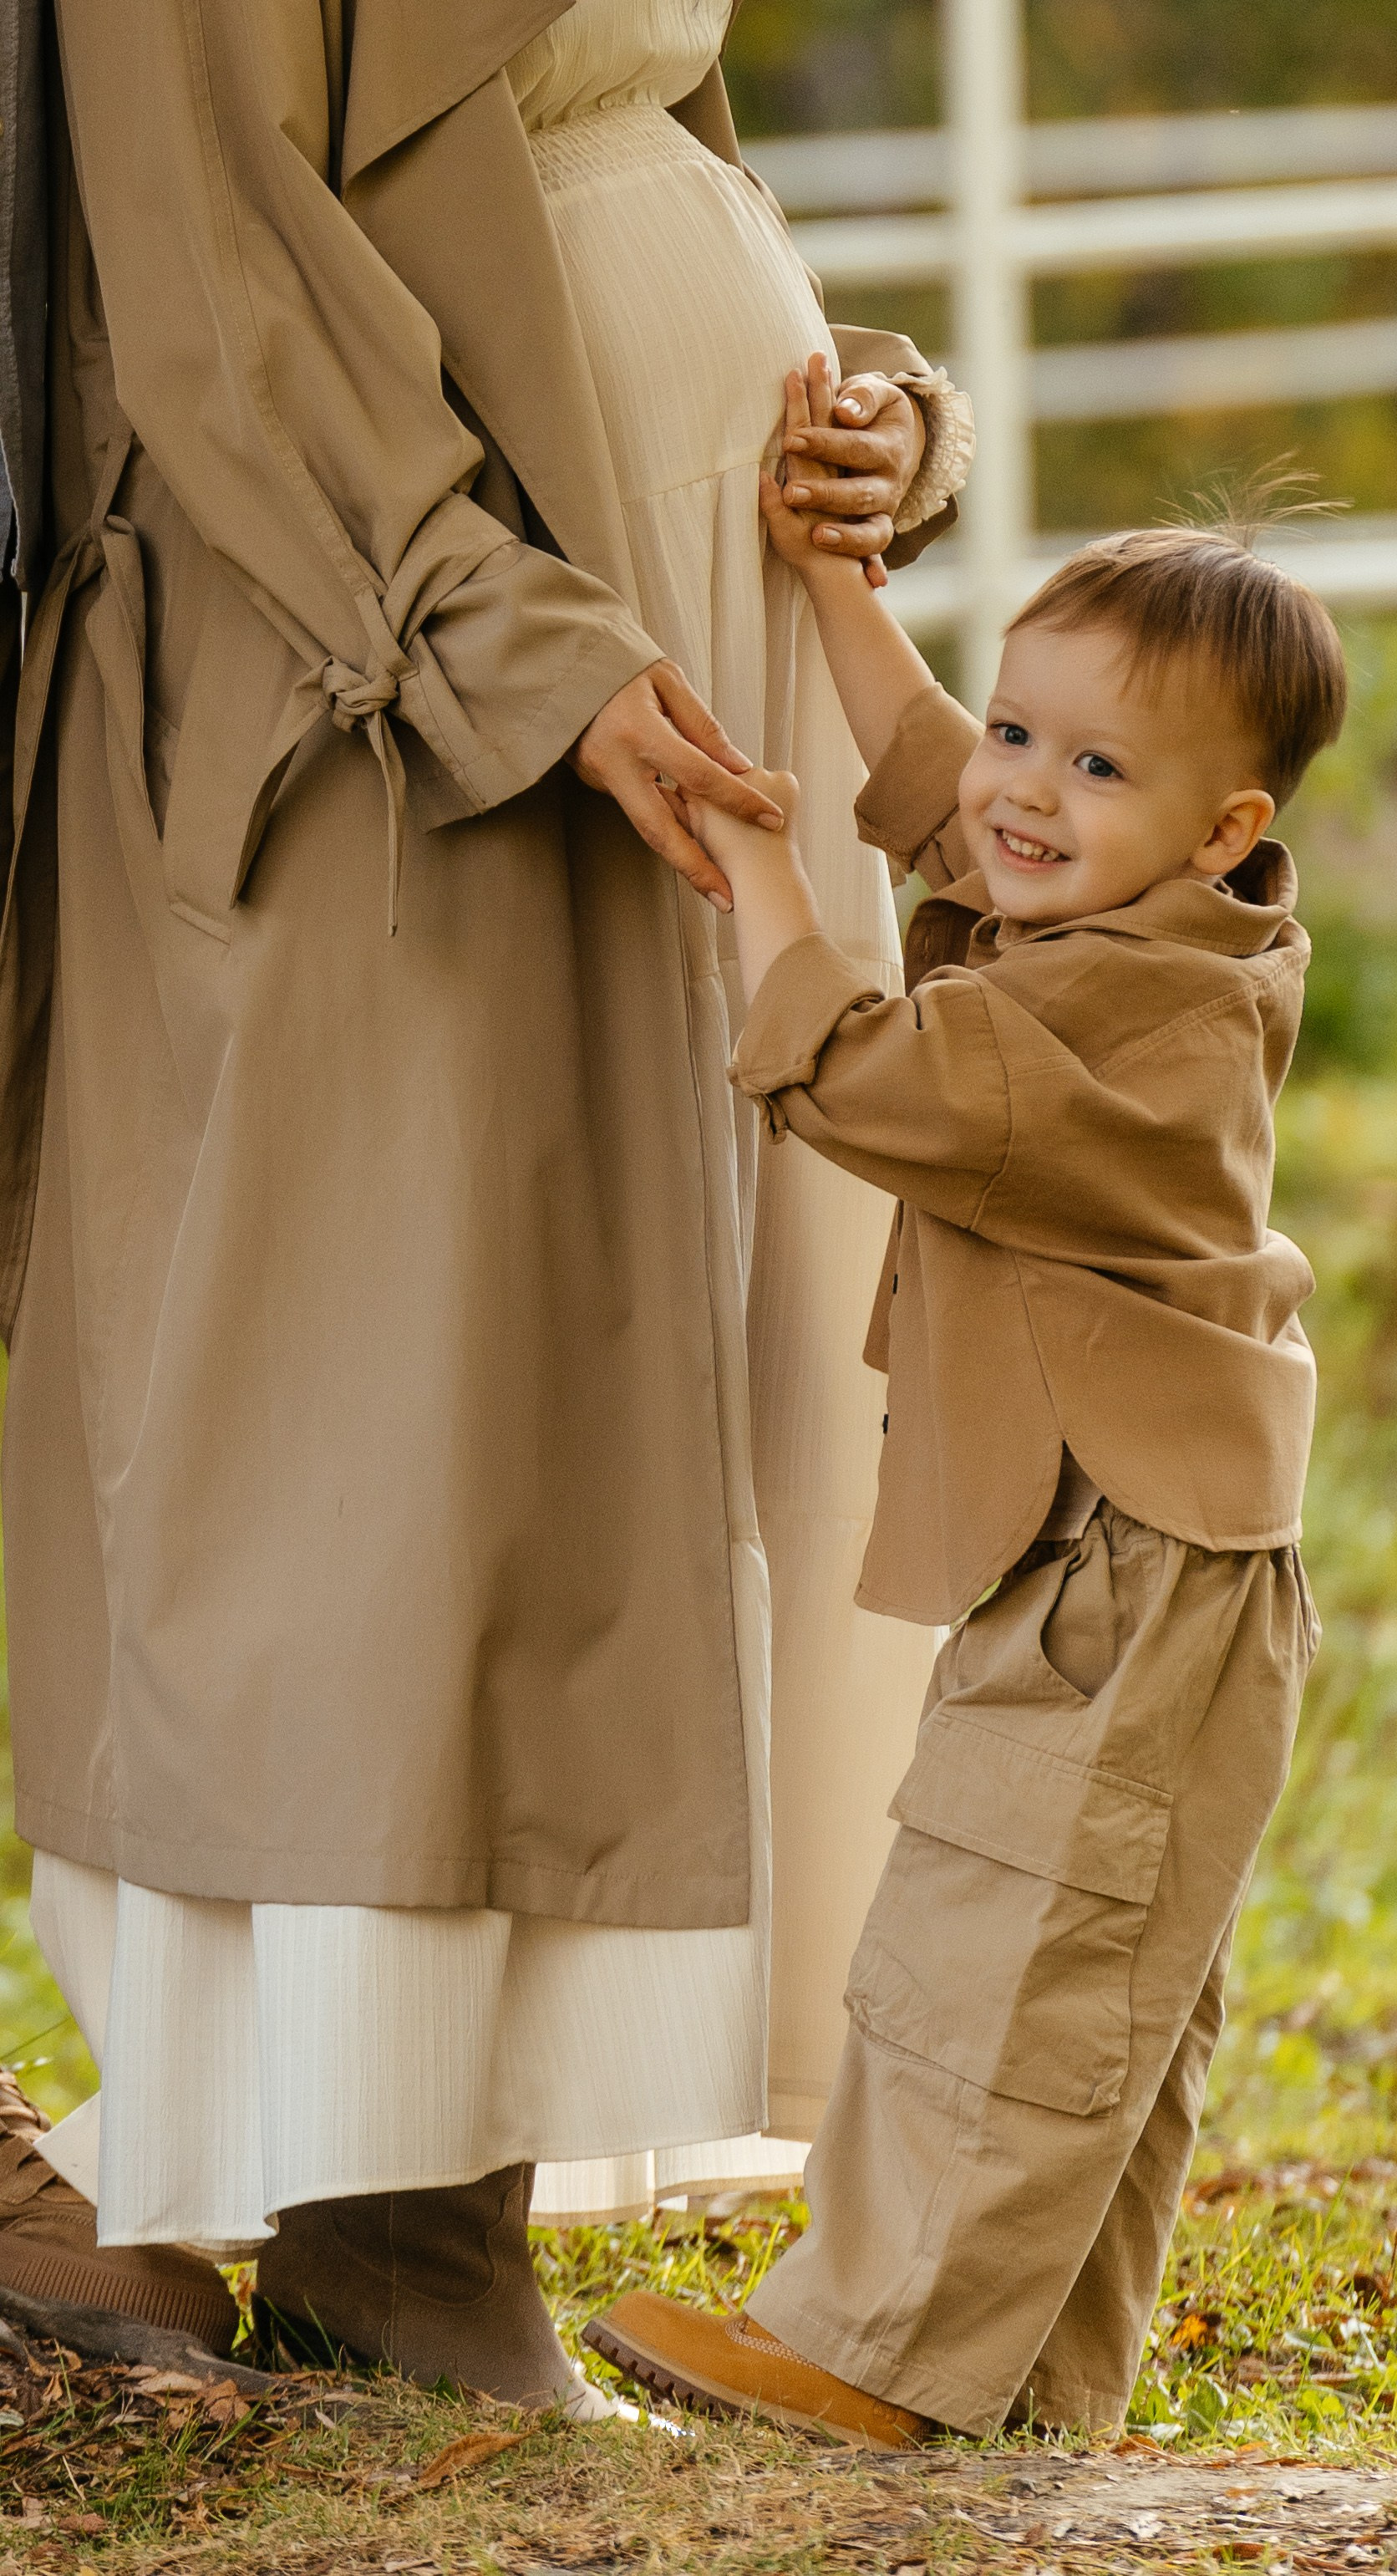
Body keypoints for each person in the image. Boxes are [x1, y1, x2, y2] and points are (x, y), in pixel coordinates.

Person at [0, 3, 966, 2405]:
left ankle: (435, 2211)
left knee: (633, 1394)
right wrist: (490, 629)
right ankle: (377, 2212)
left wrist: (863, 401)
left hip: (661, 608)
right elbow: (211, 272)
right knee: (392, 1403)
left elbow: (629, 115)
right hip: (384, 633)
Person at [585, 426, 1345, 2441]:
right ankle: (1017, 2392)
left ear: (1221, 827)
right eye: (1021, 726)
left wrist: (757, 871)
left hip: (1134, 1555)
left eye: (1092, 766)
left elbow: (861, 1077)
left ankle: (875, 2356)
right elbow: (936, 791)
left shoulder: (1132, 1021)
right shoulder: (1127, 919)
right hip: (1111, 1538)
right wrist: (839, 587)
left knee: (1001, 1949)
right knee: (1088, 1976)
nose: (1015, 788)